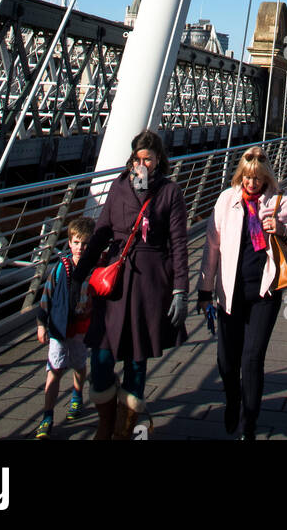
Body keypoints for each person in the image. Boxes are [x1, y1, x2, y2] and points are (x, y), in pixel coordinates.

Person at [76, 129, 188, 440]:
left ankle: (123, 429)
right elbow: (101, 232)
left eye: (148, 160)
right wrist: (78, 274)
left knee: (136, 361)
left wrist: (180, 290)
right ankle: (105, 420)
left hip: (149, 285)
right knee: (100, 358)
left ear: (158, 161)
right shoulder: (120, 187)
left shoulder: (169, 193)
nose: (142, 165)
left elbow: (178, 243)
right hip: (115, 285)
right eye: (138, 159)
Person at [198, 146, 287, 440]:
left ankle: (249, 421)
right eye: (247, 178)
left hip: (265, 291)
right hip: (230, 291)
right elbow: (212, 245)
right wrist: (204, 288)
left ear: (266, 178)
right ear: (241, 176)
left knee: (252, 358)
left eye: (257, 178)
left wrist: (284, 228)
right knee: (226, 360)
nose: (252, 183)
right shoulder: (226, 200)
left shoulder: (280, 201)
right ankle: (233, 399)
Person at [34, 214, 96, 439]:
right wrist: (41, 324)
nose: (80, 247)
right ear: (69, 243)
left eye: (85, 243)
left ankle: (77, 397)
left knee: (79, 365)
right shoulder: (60, 268)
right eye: (76, 242)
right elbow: (46, 297)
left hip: (81, 328)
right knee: (54, 371)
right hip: (59, 328)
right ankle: (47, 416)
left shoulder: (94, 268)